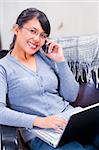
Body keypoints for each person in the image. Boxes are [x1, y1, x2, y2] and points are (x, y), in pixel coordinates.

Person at [0, 8, 98, 150]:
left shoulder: (47, 56)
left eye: (43, 35)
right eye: (33, 31)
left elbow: (71, 95)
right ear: (17, 29)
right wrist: (41, 121)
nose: (37, 40)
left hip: (71, 121)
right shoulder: (3, 67)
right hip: (41, 133)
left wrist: (60, 61)